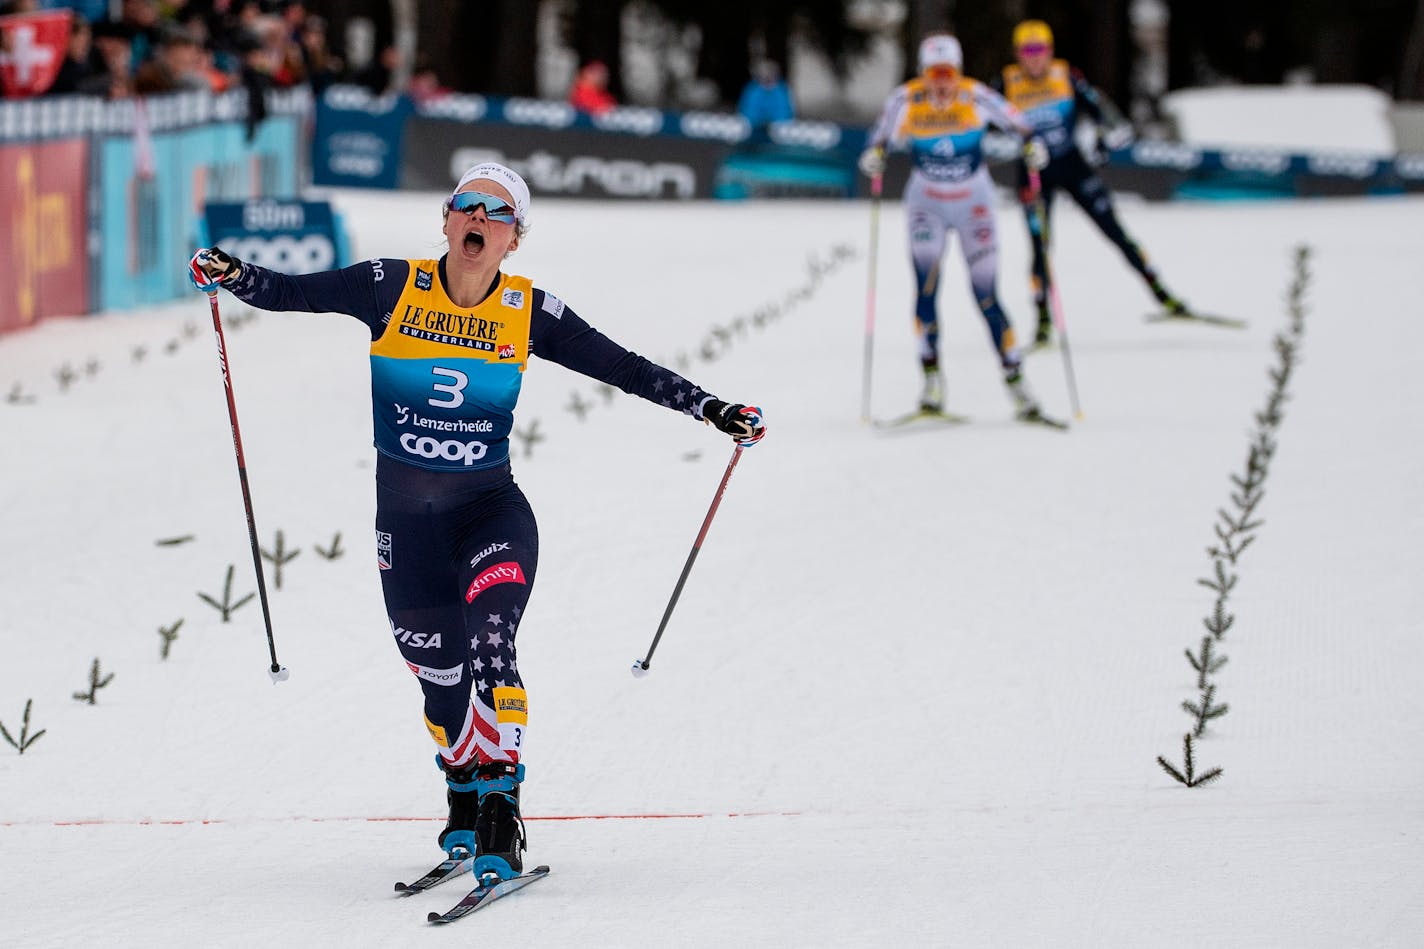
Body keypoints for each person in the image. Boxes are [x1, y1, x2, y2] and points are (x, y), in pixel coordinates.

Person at [186, 162, 766, 883]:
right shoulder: (390, 286)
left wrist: (713, 409)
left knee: (492, 641)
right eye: (469, 205)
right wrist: (229, 271)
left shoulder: (529, 310)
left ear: (513, 239)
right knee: (437, 675)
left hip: (490, 513)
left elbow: (626, 367)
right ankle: (462, 786)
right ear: (446, 218)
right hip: (405, 524)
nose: (480, 219)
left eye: (498, 213)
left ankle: (502, 804)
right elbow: (289, 292)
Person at [858, 33, 1051, 421]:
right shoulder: (905, 99)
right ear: (924, 73)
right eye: (934, 73)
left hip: (973, 206)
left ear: (958, 72)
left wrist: (1032, 146)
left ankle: (1017, 383)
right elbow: (877, 141)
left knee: (986, 294)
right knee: (926, 289)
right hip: (926, 205)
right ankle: (931, 383)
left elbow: (1022, 125)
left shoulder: (975, 96)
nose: (941, 82)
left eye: (948, 73)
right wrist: (873, 157)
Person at [991, 20, 1192, 346]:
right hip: (1033, 172)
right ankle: (1043, 320)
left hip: (1072, 164)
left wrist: (1103, 137)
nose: (1035, 58)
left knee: (1115, 230)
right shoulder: (1006, 83)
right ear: (1018, 54)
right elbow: (983, 120)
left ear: (1050, 50)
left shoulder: (1065, 76)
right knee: (1040, 245)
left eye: (1040, 49)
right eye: (1028, 51)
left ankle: (1162, 293)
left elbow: (1100, 111)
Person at [737, 59, 794, 129]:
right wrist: (759, 121)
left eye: (770, 73)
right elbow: (747, 111)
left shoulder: (782, 90)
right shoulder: (752, 90)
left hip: (778, 128)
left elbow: (786, 112)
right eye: (764, 74)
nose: (767, 76)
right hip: (754, 127)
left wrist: (774, 122)